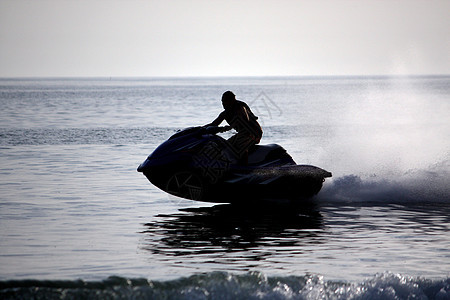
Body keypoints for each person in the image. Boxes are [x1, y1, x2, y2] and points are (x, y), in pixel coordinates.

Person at [205, 91, 263, 164]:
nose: (223, 103)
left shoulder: (240, 107)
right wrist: (199, 129)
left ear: (232, 100)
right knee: (225, 146)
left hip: (254, 133)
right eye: (222, 101)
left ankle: (244, 168)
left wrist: (229, 127)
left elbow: (245, 119)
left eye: (226, 101)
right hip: (243, 134)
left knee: (239, 144)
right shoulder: (225, 113)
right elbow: (214, 124)